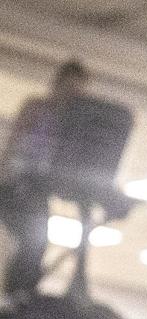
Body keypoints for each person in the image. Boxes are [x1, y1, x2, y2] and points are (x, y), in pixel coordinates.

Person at [0, 60, 90, 299]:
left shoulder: (72, 123)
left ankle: (20, 293)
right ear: (56, 85)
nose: (70, 95)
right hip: (15, 186)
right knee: (31, 240)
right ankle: (16, 292)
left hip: (36, 189)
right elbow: (16, 148)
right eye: (68, 88)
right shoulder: (36, 109)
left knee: (36, 243)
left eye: (77, 92)